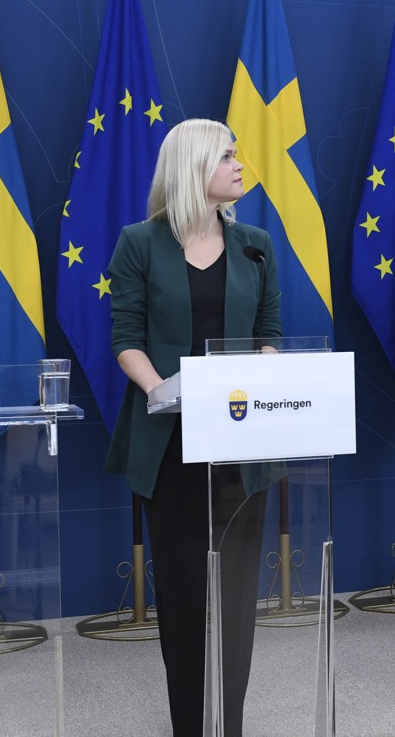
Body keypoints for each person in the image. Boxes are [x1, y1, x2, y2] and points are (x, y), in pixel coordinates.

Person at [105, 118, 281, 736]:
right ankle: (188, 726)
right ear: (193, 167)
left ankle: (229, 723)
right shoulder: (139, 243)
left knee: (235, 603)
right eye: (227, 156)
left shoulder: (256, 242)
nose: (239, 164)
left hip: (241, 443)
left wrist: (261, 381)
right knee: (183, 598)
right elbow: (125, 338)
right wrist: (162, 392)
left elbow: (270, 336)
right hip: (171, 443)